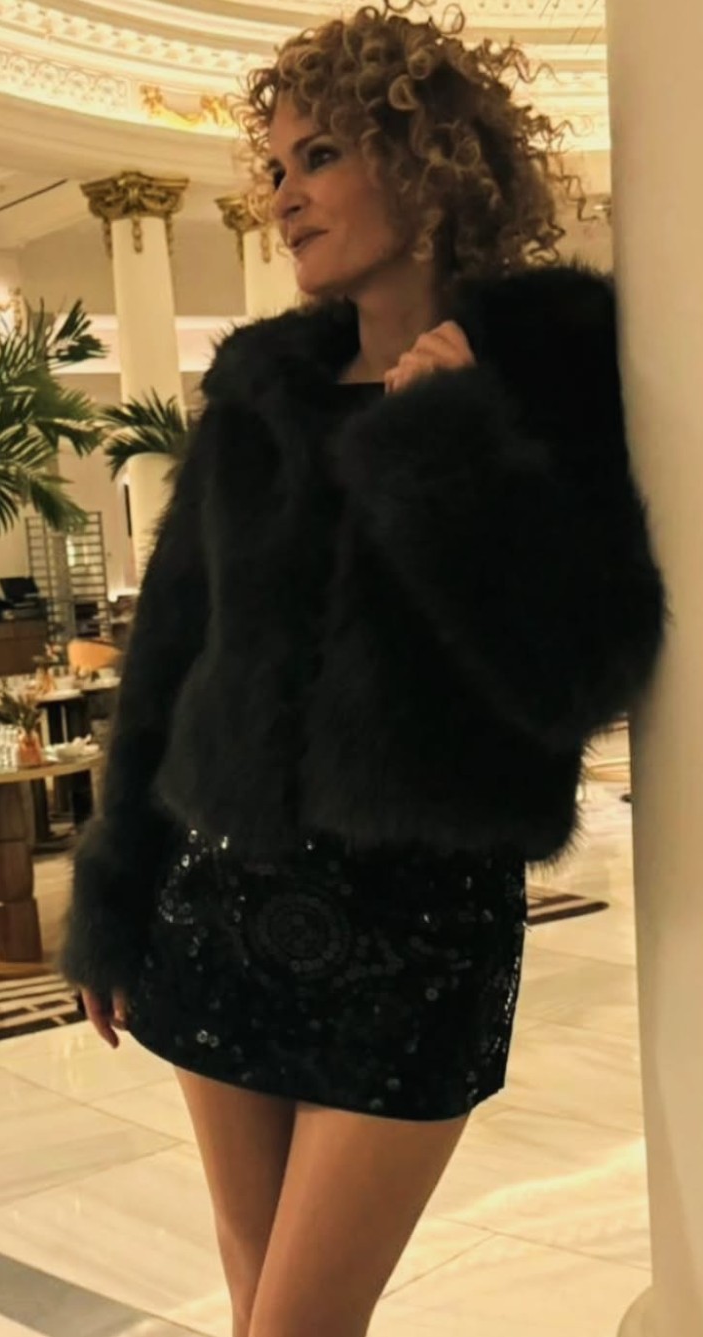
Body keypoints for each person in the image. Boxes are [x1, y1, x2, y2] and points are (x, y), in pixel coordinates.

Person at [60, 3, 665, 1335]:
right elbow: (169, 663)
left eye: (319, 155)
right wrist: (114, 890)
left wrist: (447, 449)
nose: (281, 195)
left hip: (420, 930)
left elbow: (582, 670)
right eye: (275, 165)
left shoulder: (555, 371)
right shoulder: (260, 393)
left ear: (427, 163)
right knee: (259, 1311)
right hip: (221, 902)